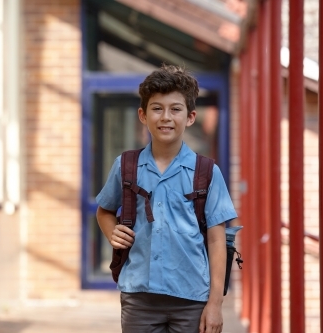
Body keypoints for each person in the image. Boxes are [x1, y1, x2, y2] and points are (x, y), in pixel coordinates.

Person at [95, 64, 237, 333]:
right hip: (139, 298)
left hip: (192, 298)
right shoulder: (125, 166)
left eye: (175, 109)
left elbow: (218, 239)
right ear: (142, 115)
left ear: (191, 116)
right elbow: (104, 211)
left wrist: (215, 304)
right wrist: (112, 232)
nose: (166, 117)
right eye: (157, 108)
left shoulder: (207, 172)